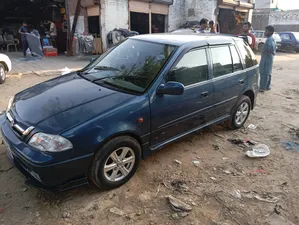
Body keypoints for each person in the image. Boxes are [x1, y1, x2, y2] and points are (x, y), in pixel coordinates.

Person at [259, 25, 276, 92]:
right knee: (268, 73)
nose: (265, 32)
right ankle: (267, 86)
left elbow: (270, 49)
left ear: (271, 32)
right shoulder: (272, 39)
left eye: (266, 31)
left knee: (264, 73)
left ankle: (262, 87)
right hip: (269, 59)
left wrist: (265, 51)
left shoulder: (269, 40)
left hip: (266, 59)